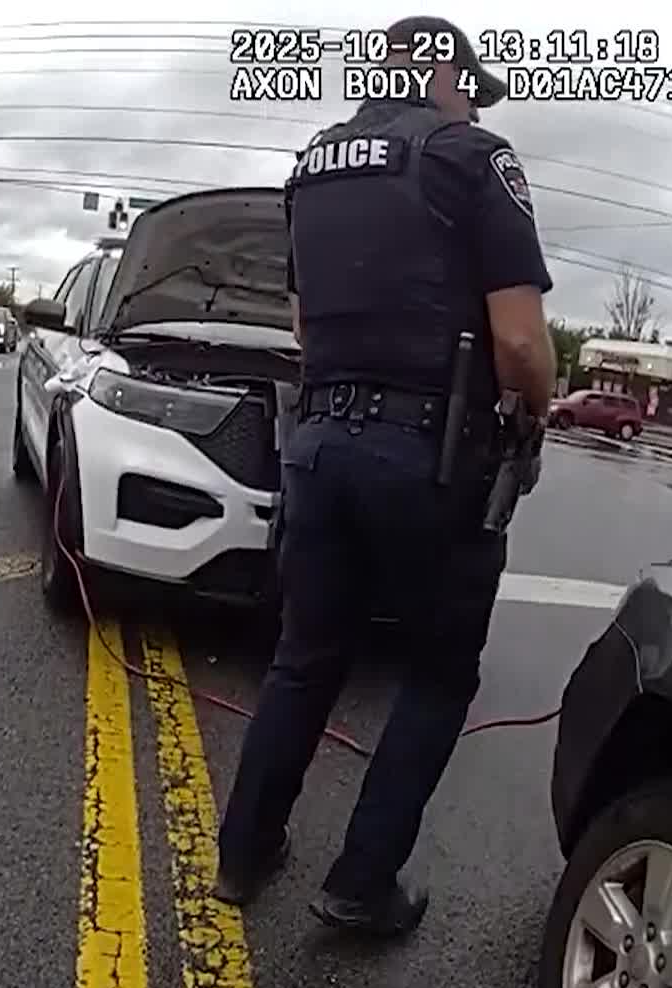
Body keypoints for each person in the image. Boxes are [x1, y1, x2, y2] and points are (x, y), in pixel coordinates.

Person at [211, 15, 558, 937]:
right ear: (440, 74)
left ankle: (243, 854)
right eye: (468, 83)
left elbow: (301, 327)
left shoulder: (312, 167)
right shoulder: (475, 158)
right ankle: (359, 885)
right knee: (440, 675)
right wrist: (537, 410)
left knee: (304, 658)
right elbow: (520, 341)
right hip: (429, 459)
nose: (473, 100)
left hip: (319, 443)